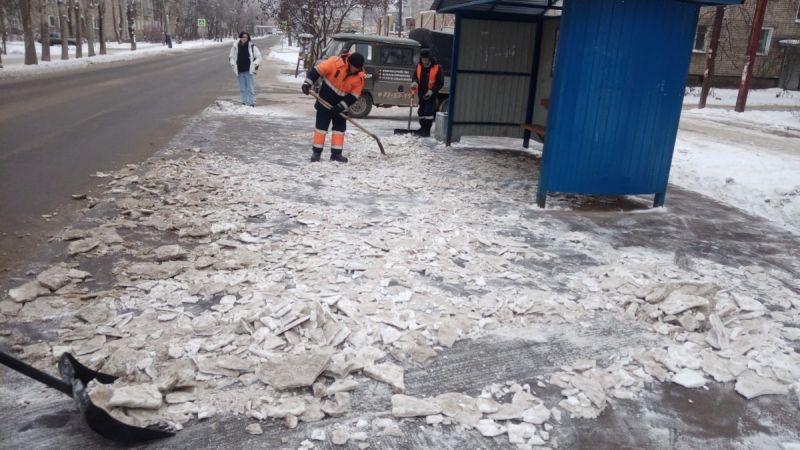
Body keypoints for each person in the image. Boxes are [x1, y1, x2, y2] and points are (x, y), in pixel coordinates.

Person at [301, 52, 366, 163]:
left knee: (339, 131)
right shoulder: (334, 63)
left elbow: (354, 96)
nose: (356, 70)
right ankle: (316, 153)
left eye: (358, 68)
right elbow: (316, 71)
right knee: (321, 129)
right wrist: (307, 83)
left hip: (340, 107)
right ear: (349, 63)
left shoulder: (359, 77)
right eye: (355, 68)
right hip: (324, 102)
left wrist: (341, 106)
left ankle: (336, 154)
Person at [410, 48, 444, 137]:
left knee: (428, 112)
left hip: (431, 95)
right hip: (421, 94)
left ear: (430, 58)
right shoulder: (419, 66)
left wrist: (432, 90)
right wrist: (414, 82)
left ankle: (427, 130)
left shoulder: (437, 67)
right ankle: (422, 128)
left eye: (426, 59)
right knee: (421, 112)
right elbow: (415, 77)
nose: (424, 60)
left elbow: (440, 82)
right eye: (423, 58)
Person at [229, 31, 262, 107]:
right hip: (240, 71)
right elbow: (231, 57)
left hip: (249, 71)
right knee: (242, 88)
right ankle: (244, 102)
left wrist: (254, 64)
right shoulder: (235, 47)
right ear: (240, 37)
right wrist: (233, 64)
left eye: (246, 37)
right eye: (243, 37)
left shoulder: (252, 47)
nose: (244, 39)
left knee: (250, 88)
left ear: (248, 38)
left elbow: (259, 57)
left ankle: (251, 103)